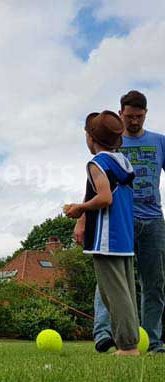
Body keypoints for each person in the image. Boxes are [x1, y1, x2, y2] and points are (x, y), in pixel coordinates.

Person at [78, 91, 165, 354]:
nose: (134, 121)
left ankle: (153, 340)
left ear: (146, 114)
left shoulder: (160, 142)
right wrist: (83, 219)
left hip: (152, 221)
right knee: (110, 279)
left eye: (139, 117)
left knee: (154, 282)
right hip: (119, 221)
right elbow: (95, 187)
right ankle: (105, 335)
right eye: (129, 117)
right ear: (120, 114)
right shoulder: (112, 143)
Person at [65, 110, 139, 356]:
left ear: (90, 138)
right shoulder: (122, 161)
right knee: (126, 291)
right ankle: (129, 343)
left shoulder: (97, 163)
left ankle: (128, 347)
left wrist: (80, 208)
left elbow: (105, 197)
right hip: (126, 237)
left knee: (114, 294)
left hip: (107, 238)